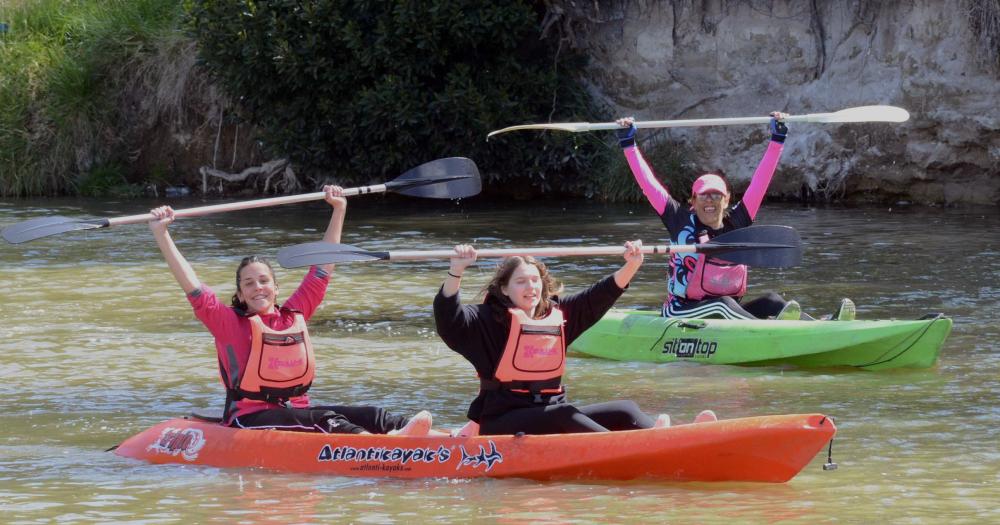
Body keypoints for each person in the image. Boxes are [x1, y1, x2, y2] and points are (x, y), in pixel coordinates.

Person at [148, 185, 434, 435]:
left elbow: (323, 267)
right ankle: (385, 448)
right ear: (240, 294)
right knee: (326, 419)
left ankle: (441, 439)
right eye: (249, 283)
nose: (257, 287)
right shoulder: (227, 322)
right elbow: (193, 287)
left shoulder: (293, 315)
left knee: (374, 415)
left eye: (264, 281)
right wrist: (161, 233)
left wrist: (339, 209)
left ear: (276, 287)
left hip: (295, 411)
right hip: (249, 418)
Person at [616, 113, 855, 321]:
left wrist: (777, 140)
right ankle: (770, 332)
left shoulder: (737, 222)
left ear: (726, 200)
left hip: (727, 311)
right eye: (703, 196)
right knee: (724, 304)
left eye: (716, 196)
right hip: (681, 311)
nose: (709, 201)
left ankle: (819, 326)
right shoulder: (679, 220)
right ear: (693, 201)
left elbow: (760, 183)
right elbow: (649, 185)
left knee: (772, 301)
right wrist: (629, 143)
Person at [433, 240, 688, 435]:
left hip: (550, 412)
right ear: (504, 289)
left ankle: (674, 441)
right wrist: (456, 271)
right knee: (563, 414)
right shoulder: (486, 320)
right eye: (521, 281)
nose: (530, 287)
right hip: (502, 419)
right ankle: (635, 450)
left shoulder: (557, 317)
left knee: (626, 409)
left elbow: (597, 298)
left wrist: (632, 264)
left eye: (535, 281)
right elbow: (449, 320)